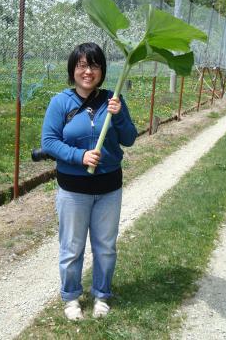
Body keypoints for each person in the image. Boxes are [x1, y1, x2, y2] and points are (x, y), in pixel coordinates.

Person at [41, 42, 137, 320]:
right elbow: (48, 142)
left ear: (102, 70)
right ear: (73, 70)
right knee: (71, 247)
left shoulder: (113, 99)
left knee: (105, 246)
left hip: (109, 188)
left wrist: (117, 116)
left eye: (94, 65)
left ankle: (101, 295)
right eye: (82, 65)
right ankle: (71, 298)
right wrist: (79, 156)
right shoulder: (60, 102)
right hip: (73, 190)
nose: (88, 71)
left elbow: (129, 138)